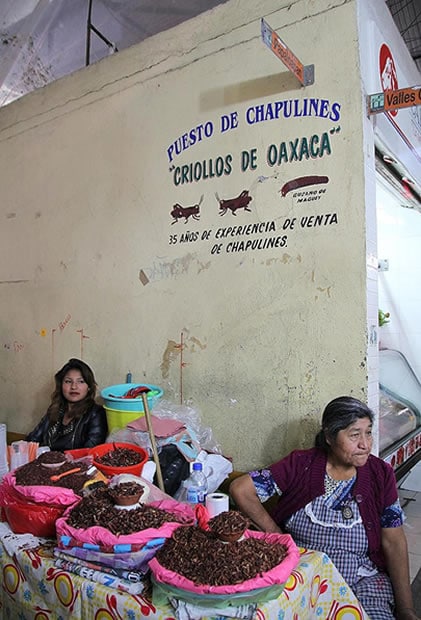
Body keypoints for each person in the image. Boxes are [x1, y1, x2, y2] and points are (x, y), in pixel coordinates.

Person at [229, 396, 419, 620]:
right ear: (329, 436)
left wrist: (406, 609)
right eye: (354, 435)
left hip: (362, 581)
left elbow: (394, 540)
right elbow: (241, 489)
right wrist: (277, 535)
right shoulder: (301, 464)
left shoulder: (380, 474)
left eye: (368, 432)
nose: (365, 444)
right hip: (304, 575)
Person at [26, 358, 108, 451]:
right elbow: (32, 440)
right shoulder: (55, 409)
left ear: (89, 387)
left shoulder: (96, 414)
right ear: (61, 385)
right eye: (68, 381)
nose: (73, 387)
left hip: (74, 465)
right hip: (43, 462)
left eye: (81, 381)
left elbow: (89, 453)